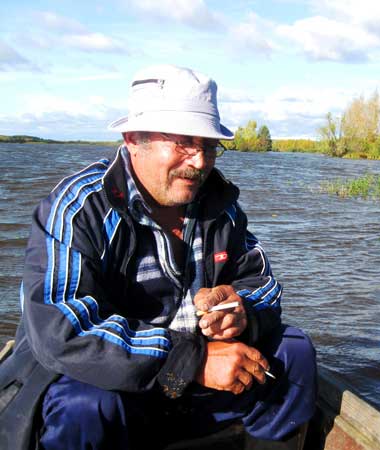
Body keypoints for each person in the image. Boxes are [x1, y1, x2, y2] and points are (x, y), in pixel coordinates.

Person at [0, 64, 317, 450]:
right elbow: (62, 330)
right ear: (133, 139)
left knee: (294, 352)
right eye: (183, 141)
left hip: (194, 385)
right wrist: (193, 363)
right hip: (120, 386)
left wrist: (241, 311)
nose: (200, 161)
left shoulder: (222, 208)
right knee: (85, 405)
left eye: (209, 146)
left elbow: (264, 285)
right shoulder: (77, 208)